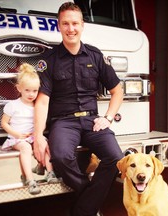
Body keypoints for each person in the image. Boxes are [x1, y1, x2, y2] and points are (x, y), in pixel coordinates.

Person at [33, 2, 124, 215]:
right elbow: (42, 100)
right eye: (65, 23)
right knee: (62, 157)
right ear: (58, 26)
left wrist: (108, 118)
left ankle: (82, 210)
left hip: (93, 121)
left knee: (115, 158)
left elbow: (117, 90)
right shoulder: (49, 60)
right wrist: (38, 136)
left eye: (75, 23)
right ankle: (89, 203)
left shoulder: (94, 55)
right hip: (63, 123)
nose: (70, 28)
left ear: (82, 25)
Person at [1, 63, 61, 195]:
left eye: (35, 91)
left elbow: (42, 122)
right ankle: (29, 179)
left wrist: (36, 134)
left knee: (45, 144)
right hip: (17, 138)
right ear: (19, 88)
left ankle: (50, 173)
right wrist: (17, 134)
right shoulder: (13, 105)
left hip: (32, 136)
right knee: (26, 148)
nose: (31, 94)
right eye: (27, 90)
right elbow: (4, 123)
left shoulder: (37, 105)